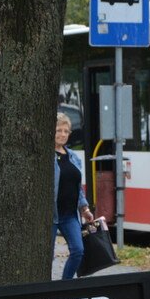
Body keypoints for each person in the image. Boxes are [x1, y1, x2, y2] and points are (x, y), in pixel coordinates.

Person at [53, 112, 94, 280]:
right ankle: (41, 292)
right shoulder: (45, 157)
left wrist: (84, 208)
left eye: (66, 131)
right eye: (59, 130)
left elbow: (78, 187)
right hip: (50, 216)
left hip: (70, 215)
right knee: (45, 257)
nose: (63, 134)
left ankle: (64, 286)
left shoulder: (73, 157)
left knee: (78, 250)